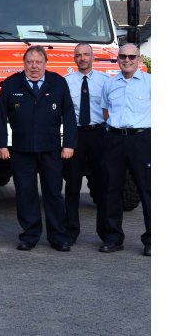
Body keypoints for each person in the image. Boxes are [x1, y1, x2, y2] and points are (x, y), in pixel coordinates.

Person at [0, 45, 76, 252]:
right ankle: (29, 235)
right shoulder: (12, 83)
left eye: (38, 62)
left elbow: (69, 115)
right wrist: (1, 144)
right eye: (29, 62)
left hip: (51, 149)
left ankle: (58, 236)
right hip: (22, 150)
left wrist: (68, 143)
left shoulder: (58, 83)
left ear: (45, 63)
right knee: (25, 194)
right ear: (23, 64)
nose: (34, 66)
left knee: (53, 193)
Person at [97, 44, 151, 256]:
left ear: (139, 60)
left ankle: (152, 241)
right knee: (112, 190)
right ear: (117, 59)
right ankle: (113, 238)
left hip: (141, 140)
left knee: (147, 190)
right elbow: (104, 111)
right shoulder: (110, 84)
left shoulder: (151, 83)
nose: (127, 60)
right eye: (123, 56)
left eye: (131, 56)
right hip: (115, 140)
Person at [62, 43, 110, 246]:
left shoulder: (105, 81)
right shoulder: (66, 82)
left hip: (98, 135)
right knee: (72, 187)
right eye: (78, 55)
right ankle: (70, 233)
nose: (82, 58)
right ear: (74, 58)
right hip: (75, 136)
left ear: (93, 57)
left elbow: (110, 110)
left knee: (102, 188)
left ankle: (107, 235)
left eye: (86, 55)